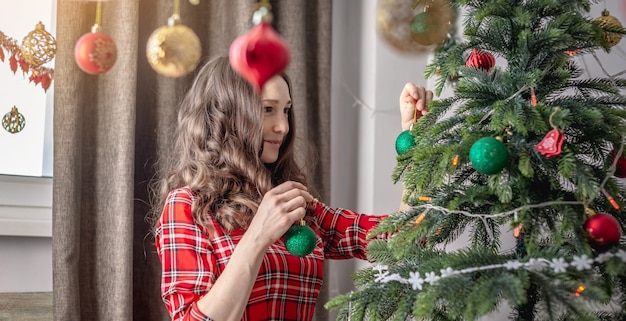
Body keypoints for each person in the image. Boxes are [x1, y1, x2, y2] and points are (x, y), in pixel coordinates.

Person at [150, 55, 432, 321]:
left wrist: (413, 137)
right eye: (268, 109)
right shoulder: (189, 206)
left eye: (286, 110)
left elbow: (401, 240)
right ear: (229, 115)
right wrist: (257, 238)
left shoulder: (294, 205)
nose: (283, 126)